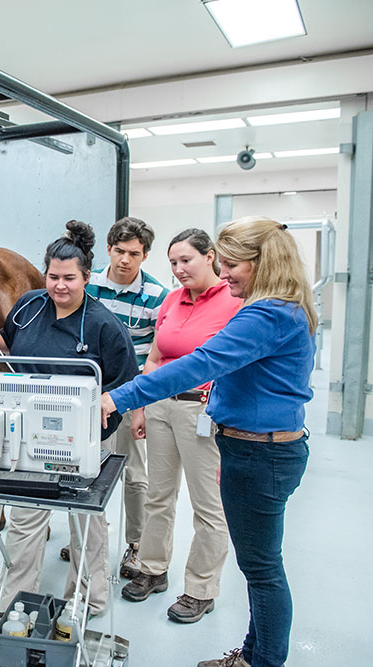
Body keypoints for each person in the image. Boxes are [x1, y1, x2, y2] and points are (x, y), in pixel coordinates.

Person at [102, 217, 316, 667]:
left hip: (260, 453)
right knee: (259, 568)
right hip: (259, 447)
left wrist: (119, 398)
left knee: (262, 571)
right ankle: (254, 654)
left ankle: (263, 660)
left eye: (234, 264)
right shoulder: (285, 308)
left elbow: (200, 363)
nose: (227, 271)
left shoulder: (266, 314)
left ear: (263, 263)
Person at [0, 220, 139, 617]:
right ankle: (15, 603)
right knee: (25, 520)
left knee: (85, 521)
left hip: (86, 437)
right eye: (53, 276)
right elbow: (9, 343)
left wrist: (107, 411)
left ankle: (89, 600)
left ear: (86, 278)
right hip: (27, 437)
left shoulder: (104, 326)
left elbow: (125, 383)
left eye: (69, 278)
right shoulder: (29, 305)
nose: (60, 285)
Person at [119, 228, 240, 624]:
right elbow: (154, 358)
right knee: (158, 495)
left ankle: (200, 590)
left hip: (203, 411)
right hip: (160, 408)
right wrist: (140, 408)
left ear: (210, 257)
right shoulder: (171, 299)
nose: (178, 269)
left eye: (186, 260)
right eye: (172, 263)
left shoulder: (234, 301)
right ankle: (153, 569)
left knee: (209, 506)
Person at [78, 216, 168, 580]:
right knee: (84, 469)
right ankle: (86, 535)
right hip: (87, 398)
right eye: (119, 251)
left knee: (134, 474)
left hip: (130, 396)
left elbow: (156, 358)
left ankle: (136, 543)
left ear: (145, 255)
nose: (125, 260)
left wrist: (139, 408)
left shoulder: (156, 297)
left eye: (134, 253)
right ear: (109, 250)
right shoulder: (88, 285)